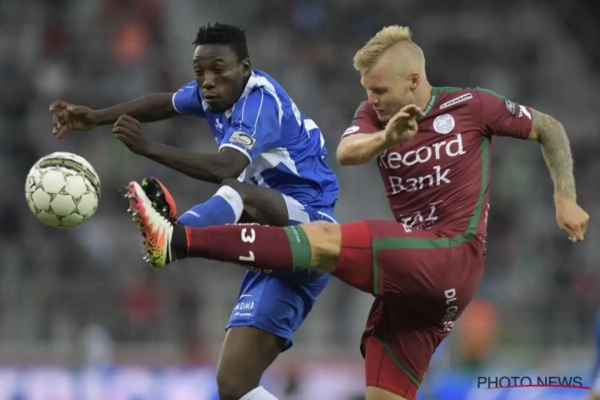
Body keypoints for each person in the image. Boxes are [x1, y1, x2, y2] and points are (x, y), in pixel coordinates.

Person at [124, 25, 590, 400]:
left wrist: (564, 197)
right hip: (413, 290)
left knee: (325, 239)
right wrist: (387, 137)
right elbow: (348, 152)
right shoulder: (372, 118)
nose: (373, 100)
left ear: (413, 81)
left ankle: (180, 239)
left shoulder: (472, 106)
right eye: (368, 91)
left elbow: (548, 127)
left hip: (451, 254)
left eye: (380, 90)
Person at [50, 23, 340, 400]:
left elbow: (225, 167)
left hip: (312, 226)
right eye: (199, 71)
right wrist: (97, 118)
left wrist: (148, 148)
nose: (207, 81)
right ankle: (173, 236)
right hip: (274, 246)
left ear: (245, 68)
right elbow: (164, 102)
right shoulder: (213, 93)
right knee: (234, 385)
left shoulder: (259, 103)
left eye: (218, 69)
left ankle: (176, 235)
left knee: (236, 191)